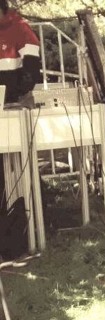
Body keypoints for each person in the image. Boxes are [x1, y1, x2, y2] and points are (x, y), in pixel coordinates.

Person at [0, 0, 41, 227]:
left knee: (22, 161)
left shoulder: (21, 28)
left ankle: (28, 212)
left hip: (14, 105)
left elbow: (31, 69)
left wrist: (17, 94)